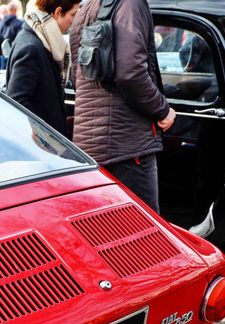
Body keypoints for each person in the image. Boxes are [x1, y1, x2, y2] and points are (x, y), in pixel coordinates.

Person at [70, 0, 176, 212]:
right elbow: (130, 74)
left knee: (104, 234)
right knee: (144, 235)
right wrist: (162, 109)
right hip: (127, 146)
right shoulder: (130, 3)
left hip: (90, 145)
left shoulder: (86, 7)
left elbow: (77, 75)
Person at [5, 0, 80, 137]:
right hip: (39, 147)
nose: (74, 20)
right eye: (73, 14)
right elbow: (18, 102)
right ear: (58, 12)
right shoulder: (32, 48)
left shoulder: (39, 40)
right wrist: (44, 138)